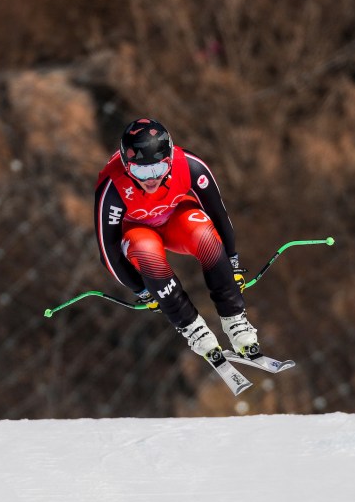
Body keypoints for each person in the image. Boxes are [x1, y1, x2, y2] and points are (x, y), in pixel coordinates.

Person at [93, 118, 261, 360]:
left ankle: (235, 320)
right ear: (127, 166)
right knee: (145, 249)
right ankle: (193, 328)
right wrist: (140, 288)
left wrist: (231, 262)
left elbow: (219, 216)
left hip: (176, 220)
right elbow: (108, 252)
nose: (151, 179)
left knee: (205, 234)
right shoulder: (113, 187)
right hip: (137, 231)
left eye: (159, 169)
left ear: (170, 160)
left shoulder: (190, 166)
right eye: (141, 171)